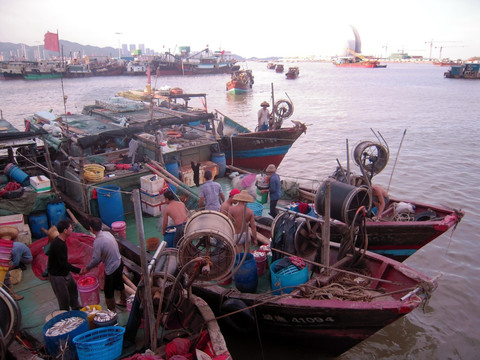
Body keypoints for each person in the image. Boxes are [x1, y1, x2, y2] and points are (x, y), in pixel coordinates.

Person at [80, 217, 126, 311]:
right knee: (120, 282)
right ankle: (123, 300)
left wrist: (87, 268)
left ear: (91, 228)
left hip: (111, 269)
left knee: (108, 291)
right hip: (119, 262)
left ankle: (111, 311)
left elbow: (96, 259)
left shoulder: (98, 242)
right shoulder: (107, 233)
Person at [47, 219, 81, 311]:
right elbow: (63, 264)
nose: (72, 229)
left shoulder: (62, 241)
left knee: (73, 289)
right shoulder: (58, 244)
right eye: (70, 228)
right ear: (65, 231)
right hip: (57, 275)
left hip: (65, 272)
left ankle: (76, 308)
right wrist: (78, 270)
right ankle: (66, 315)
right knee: (63, 299)